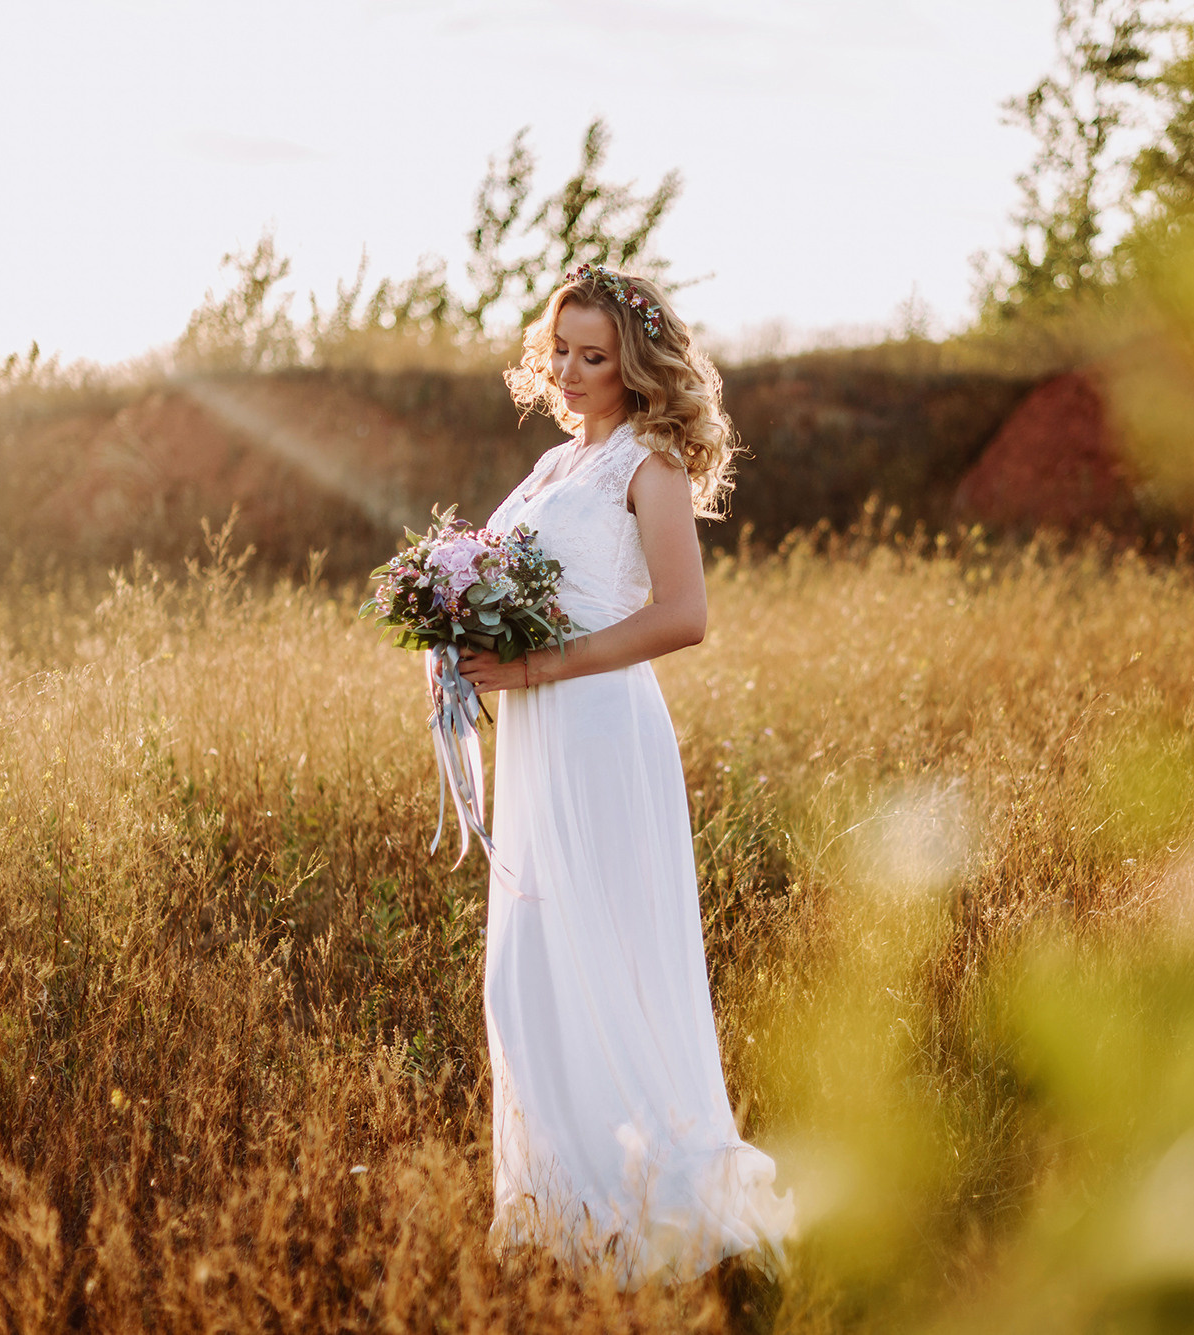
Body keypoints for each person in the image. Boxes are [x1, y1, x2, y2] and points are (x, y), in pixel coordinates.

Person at [456, 263, 794, 1286]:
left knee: (604, 959)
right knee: (529, 969)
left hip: (600, 729)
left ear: (635, 363)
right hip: (536, 736)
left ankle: (646, 1205)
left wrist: (537, 666)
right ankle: (563, 1208)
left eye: (592, 356)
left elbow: (683, 616)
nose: (568, 372)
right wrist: (455, 631)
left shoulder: (649, 465)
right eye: (559, 350)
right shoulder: (555, 464)